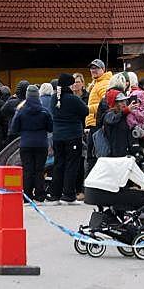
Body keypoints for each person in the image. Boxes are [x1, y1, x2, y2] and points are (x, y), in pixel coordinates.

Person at [50, 74, 89, 203]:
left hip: (57, 136)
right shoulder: (73, 99)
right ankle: (68, 194)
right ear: (70, 85)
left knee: (58, 164)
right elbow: (86, 111)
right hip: (72, 135)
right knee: (72, 164)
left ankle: (55, 193)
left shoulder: (53, 98)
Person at [12, 84, 53, 201]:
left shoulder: (21, 111)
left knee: (27, 170)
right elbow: (51, 127)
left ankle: (27, 195)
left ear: (27, 96)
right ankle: (40, 194)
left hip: (26, 143)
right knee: (39, 170)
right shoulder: (44, 111)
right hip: (41, 144)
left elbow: (14, 128)